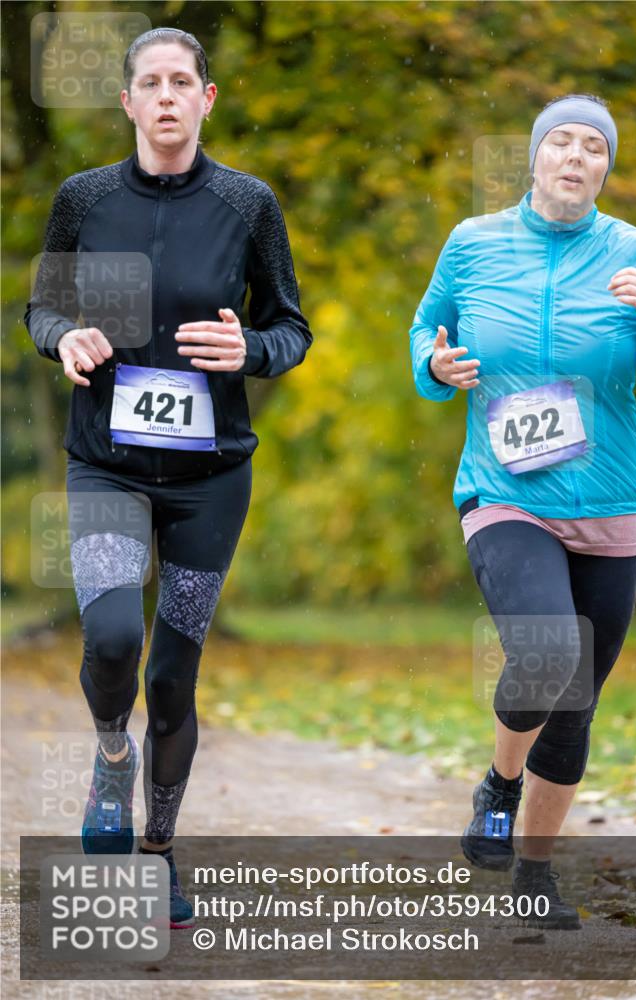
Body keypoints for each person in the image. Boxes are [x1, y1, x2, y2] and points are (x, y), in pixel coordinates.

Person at [25, 27, 311, 929]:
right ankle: (112, 757)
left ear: (206, 98)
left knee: (174, 677)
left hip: (208, 479)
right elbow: (42, 302)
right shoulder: (83, 199)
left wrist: (249, 350)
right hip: (105, 466)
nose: (165, 97)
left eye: (181, 82)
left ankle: (160, 850)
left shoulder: (247, 203)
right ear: (127, 102)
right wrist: (60, 335)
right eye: (148, 82)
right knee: (112, 638)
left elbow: (292, 328)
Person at [409, 94, 636, 929]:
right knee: (546, 649)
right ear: (533, 157)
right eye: (559, 140)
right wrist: (434, 367)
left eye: (592, 147)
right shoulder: (472, 244)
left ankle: (534, 872)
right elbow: (425, 335)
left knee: (577, 700)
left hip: (610, 499)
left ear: (604, 167)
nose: (574, 156)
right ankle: (498, 781)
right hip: (505, 489)